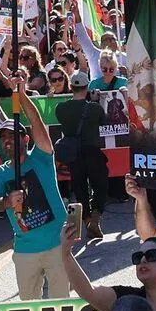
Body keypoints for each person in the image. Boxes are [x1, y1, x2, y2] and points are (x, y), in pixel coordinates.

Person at [0, 75, 68, 301]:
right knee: (28, 310)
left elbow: (36, 121)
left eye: (12, 136)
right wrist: (6, 202)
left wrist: (21, 94)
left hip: (57, 243)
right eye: (2, 138)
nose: (7, 141)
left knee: (61, 306)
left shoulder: (42, 157)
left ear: (25, 139)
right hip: (25, 250)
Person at [54, 71, 106, 240]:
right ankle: (95, 220)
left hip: (73, 154)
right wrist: (95, 102)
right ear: (87, 87)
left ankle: (87, 220)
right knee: (100, 185)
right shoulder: (94, 107)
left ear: (71, 86)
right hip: (92, 151)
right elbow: (103, 122)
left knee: (79, 187)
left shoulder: (61, 108)